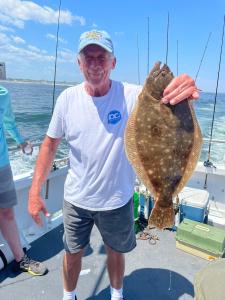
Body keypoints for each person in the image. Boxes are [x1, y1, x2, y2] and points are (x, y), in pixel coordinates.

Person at [28, 30, 199, 300]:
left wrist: (184, 87)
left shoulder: (135, 96)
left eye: (102, 57)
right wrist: (35, 190)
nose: (95, 64)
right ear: (79, 63)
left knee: (115, 252)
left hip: (117, 199)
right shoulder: (67, 100)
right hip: (76, 199)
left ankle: (117, 294)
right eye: (89, 57)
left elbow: (167, 103)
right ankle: (68, 295)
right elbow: (49, 145)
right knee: (72, 253)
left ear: (113, 63)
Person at [0, 85, 47, 276]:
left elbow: (9, 122)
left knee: (7, 213)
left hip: (1, 164)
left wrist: (20, 141)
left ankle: (20, 259)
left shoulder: (3, 94)